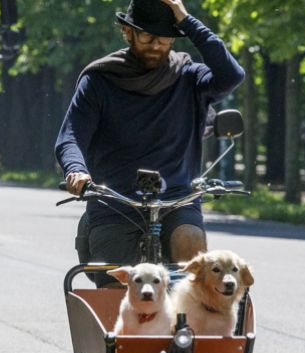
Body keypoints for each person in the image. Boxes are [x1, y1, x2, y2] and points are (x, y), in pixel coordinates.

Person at [55, 0, 244, 287]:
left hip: (177, 198)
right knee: (114, 283)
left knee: (191, 245)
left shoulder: (188, 76)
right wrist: (75, 170)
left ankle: (187, 326)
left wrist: (186, 21)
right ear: (127, 32)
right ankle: (116, 331)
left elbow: (232, 76)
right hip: (115, 201)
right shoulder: (100, 80)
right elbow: (71, 136)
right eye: (147, 35)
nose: (156, 44)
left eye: (165, 36)